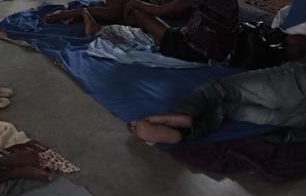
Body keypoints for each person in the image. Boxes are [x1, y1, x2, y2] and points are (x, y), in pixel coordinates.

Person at [130, 62, 306, 145]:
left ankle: (183, 116)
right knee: (227, 109)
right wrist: (284, 137)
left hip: (294, 84)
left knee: (222, 89)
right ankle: (181, 132)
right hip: (296, 119)